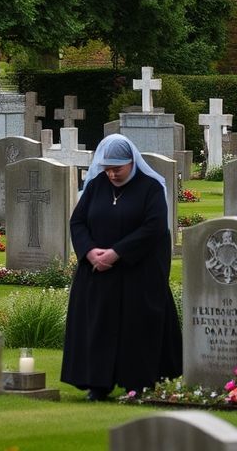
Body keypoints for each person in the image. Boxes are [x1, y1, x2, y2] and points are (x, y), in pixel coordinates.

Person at [61, 134, 182, 401]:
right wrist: (90, 251)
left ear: (132, 162)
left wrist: (117, 253)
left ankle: (137, 383)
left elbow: (154, 228)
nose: (112, 174)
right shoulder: (95, 186)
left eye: (118, 168)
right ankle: (97, 384)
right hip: (98, 273)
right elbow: (78, 222)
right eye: (107, 168)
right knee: (98, 327)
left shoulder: (150, 188)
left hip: (137, 273)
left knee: (135, 329)